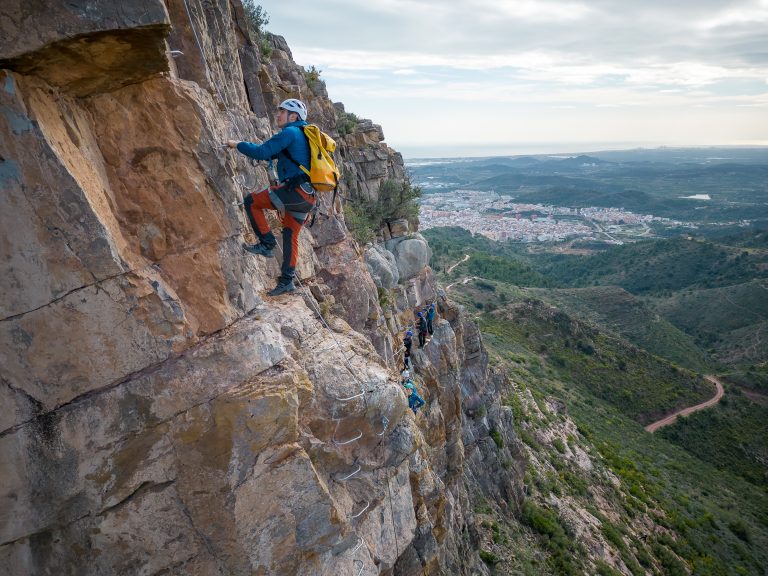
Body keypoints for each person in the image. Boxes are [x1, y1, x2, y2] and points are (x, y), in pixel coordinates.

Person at [227, 98, 315, 296]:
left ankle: (266, 244)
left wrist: (238, 144)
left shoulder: (290, 132)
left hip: (293, 192)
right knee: (290, 236)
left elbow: (261, 152)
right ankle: (287, 282)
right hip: (307, 197)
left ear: (293, 116)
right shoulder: (303, 136)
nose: (278, 115)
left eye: (282, 112)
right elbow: (275, 155)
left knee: (252, 201)